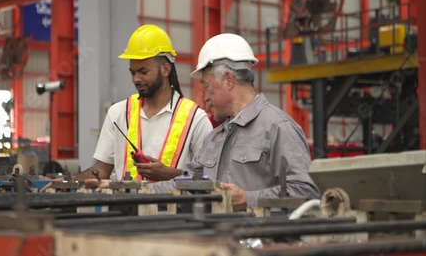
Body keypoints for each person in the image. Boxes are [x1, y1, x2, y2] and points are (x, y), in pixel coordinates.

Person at [89, 33, 320, 211]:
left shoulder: (278, 128)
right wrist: (127, 191)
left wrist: (248, 199)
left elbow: (307, 192)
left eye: (207, 87)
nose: (206, 97)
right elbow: (183, 183)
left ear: (228, 80)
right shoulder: (215, 138)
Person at [70, 25, 213, 183]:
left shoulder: (195, 119)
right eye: (133, 72)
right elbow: (101, 171)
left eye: (143, 72)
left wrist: (170, 175)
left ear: (165, 69)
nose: (136, 79)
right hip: (125, 207)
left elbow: (209, 177)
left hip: (174, 208)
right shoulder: (118, 113)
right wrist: (67, 182)